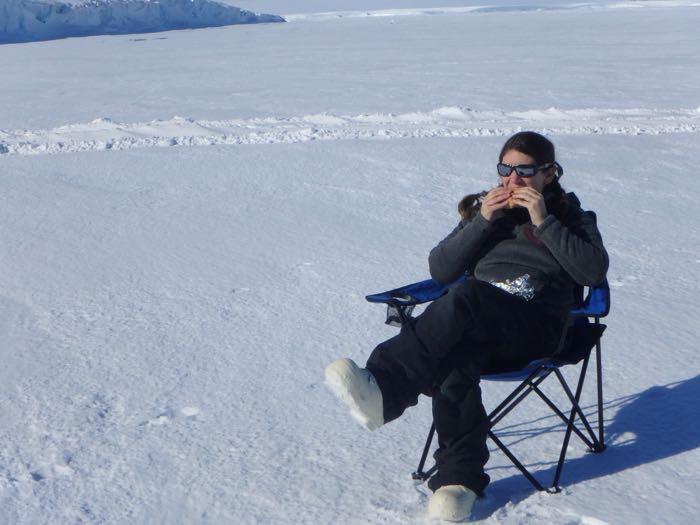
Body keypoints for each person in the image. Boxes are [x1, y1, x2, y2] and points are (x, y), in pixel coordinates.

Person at [325, 131, 609, 522]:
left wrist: (544, 222)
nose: (512, 180)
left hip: (537, 329)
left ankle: (386, 388)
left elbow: (593, 270)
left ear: (548, 174)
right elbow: (440, 270)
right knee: (455, 353)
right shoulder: (485, 211)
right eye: (505, 169)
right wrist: (482, 221)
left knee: (467, 297)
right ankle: (459, 483)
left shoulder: (572, 218)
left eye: (524, 171)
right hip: (480, 326)